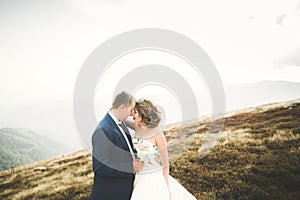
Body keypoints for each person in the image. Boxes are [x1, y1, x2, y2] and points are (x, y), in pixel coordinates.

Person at [126, 99, 197, 200]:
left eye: (136, 112)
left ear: (143, 113)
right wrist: (129, 110)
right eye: (133, 112)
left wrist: (166, 185)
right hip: (139, 176)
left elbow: (165, 164)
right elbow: (122, 119)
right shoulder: (137, 127)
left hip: (154, 178)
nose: (133, 115)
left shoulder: (157, 133)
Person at [90, 91, 144, 200]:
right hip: (110, 194)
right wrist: (131, 167)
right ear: (123, 107)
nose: (131, 114)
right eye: (131, 110)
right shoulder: (103, 130)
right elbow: (100, 167)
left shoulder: (120, 122)